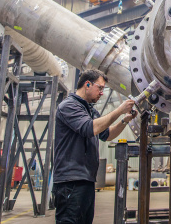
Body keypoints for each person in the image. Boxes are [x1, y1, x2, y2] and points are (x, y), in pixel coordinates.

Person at [53, 69, 135, 224]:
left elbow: (107, 134)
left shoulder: (89, 110)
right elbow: (90, 128)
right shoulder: (69, 106)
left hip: (86, 180)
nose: (102, 93)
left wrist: (125, 120)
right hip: (70, 181)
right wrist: (119, 110)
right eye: (100, 88)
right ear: (87, 84)